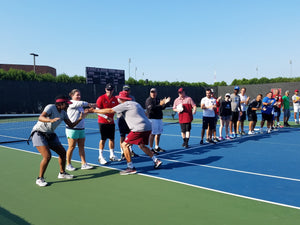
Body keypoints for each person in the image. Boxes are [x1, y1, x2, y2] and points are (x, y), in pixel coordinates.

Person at [92, 91, 162, 175]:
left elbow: (110, 110)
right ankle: (156, 160)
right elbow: (145, 113)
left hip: (138, 128)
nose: (117, 99)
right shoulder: (136, 104)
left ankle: (130, 167)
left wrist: (94, 111)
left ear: (121, 99)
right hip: (148, 127)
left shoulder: (125, 105)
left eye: (119, 98)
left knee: (124, 145)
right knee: (141, 145)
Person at [31, 95, 84, 187]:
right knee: (47, 156)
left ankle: (62, 173)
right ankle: (40, 179)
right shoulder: (50, 107)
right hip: (38, 133)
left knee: (63, 153)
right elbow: (41, 117)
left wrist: (80, 118)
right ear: (60, 104)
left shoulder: (63, 113)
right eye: (66, 104)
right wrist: (50, 120)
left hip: (50, 134)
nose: (68, 106)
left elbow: (71, 125)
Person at [65, 89, 94, 171]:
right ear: (72, 95)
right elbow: (81, 103)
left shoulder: (80, 106)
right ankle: (68, 164)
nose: (79, 96)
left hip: (81, 129)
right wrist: (90, 104)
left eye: (79, 95)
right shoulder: (71, 103)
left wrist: (87, 112)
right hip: (72, 129)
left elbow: (82, 117)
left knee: (81, 147)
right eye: (77, 95)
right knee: (71, 147)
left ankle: (84, 163)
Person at [96, 83, 119, 165]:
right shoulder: (101, 98)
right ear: (105, 90)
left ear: (113, 90)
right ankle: (100, 156)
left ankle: (112, 155)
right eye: (108, 89)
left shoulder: (114, 99)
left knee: (112, 139)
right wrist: (106, 117)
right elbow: (97, 111)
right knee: (103, 139)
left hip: (111, 122)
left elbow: (117, 109)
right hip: (102, 122)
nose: (109, 91)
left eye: (111, 90)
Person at [145, 88, 171, 154]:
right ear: (150, 93)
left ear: (156, 93)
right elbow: (152, 108)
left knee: (158, 133)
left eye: (154, 92)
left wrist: (165, 103)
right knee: (152, 134)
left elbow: (162, 107)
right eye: (152, 92)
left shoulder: (158, 99)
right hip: (152, 119)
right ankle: (151, 149)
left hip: (159, 118)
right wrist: (161, 104)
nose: (153, 93)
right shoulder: (149, 100)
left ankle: (156, 147)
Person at [117, 85, 138, 160]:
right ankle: (122, 152)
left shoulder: (132, 98)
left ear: (129, 90)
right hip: (121, 118)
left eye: (127, 90)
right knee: (122, 136)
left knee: (131, 135)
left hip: (130, 119)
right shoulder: (120, 97)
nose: (126, 91)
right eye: (124, 90)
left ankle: (130, 150)